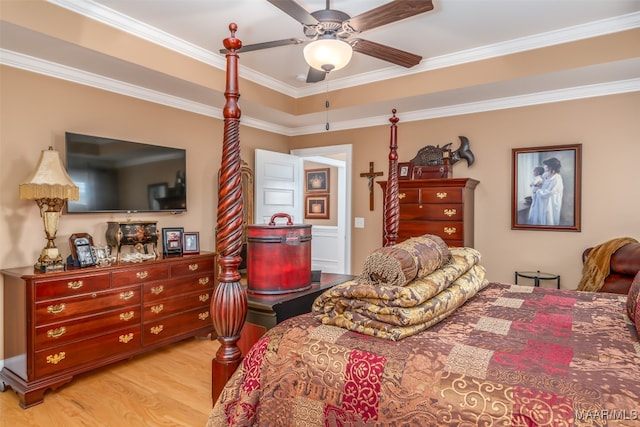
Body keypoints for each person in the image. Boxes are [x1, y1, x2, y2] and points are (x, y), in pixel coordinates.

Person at [527, 157, 563, 225]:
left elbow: (551, 192)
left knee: (548, 218)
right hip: (541, 200)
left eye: (547, 165)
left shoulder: (557, 178)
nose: (545, 167)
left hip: (550, 202)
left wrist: (538, 191)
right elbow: (541, 185)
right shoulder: (545, 175)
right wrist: (537, 185)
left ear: (551, 167)